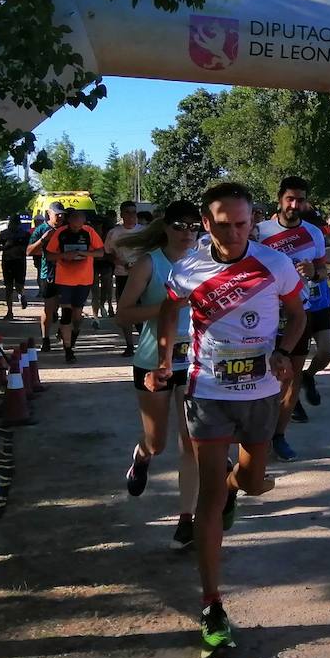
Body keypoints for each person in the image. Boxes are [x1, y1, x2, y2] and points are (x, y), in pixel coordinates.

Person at [152, 181, 306, 656]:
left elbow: (297, 314)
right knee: (209, 497)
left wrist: (283, 350)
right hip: (209, 391)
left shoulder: (274, 263)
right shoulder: (188, 268)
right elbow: (167, 311)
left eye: (242, 223)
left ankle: (237, 489)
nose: (234, 233)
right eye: (223, 225)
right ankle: (212, 604)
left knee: (255, 481)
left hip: (260, 392)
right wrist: (164, 358)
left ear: (252, 219)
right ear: (207, 223)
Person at [115, 201, 201, 551]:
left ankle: (186, 519)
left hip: (196, 363)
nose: (186, 233)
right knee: (158, 442)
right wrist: (168, 307)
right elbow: (123, 314)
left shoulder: (205, 263)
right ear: (166, 227)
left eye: (193, 226)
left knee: (193, 443)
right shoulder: (150, 263)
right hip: (153, 361)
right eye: (179, 226)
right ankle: (141, 457)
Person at [254, 176, 329, 459]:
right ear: (280, 199)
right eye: (290, 199)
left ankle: (279, 436)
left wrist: (313, 272)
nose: (295, 205)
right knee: (259, 376)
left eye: (300, 200)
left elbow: (321, 272)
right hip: (261, 315)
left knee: (291, 376)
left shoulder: (314, 233)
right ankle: (255, 435)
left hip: (298, 313)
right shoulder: (260, 231)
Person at [43, 207, 104, 364]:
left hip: (84, 280)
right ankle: (68, 350)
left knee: (77, 316)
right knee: (67, 314)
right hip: (64, 280)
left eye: (80, 221)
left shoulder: (89, 232)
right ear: (69, 220)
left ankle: (73, 335)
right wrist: (64, 255)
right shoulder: (60, 233)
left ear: (84, 221)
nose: (78, 225)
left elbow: (101, 252)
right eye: (75, 221)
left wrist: (84, 254)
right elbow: (49, 255)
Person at [26, 202, 66, 351]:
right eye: (57, 214)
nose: (61, 216)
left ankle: (63, 333)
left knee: (67, 307)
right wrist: (43, 239)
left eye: (62, 214)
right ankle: (46, 339)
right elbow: (29, 251)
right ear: (49, 213)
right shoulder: (42, 229)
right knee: (49, 309)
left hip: (69, 274)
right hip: (48, 273)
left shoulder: (67, 229)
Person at [106, 201, 144, 354]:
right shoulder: (114, 233)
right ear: (121, 215)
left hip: (142, 276)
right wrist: (117, 261)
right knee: (124, 311)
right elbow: (107, 253)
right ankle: (129, 346)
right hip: (122, 275)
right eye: (127, 212)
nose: (131, 215)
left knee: (142, 311)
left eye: (134, 212)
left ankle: (143, 344)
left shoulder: (144, 232)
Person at [0, 214, 31, 320]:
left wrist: (21, 248)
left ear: (18, 224)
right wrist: (5, 247)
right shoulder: (4, 234)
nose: (12, 225)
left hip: (19, 262)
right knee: (8, 288)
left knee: (19, 285)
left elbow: (30, 248)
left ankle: (21, 295)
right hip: (7, 262)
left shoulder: (25, 234)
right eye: (11, 223)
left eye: (14, 223)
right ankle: (9, 311)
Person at [91, 211, 117, 324]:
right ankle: (98, 311)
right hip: (94, 263)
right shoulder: (90, 233)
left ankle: (107, 305)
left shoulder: (108, 233)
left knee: (107, 286)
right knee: (96, 288)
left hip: (106, 262)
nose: (97, 226)